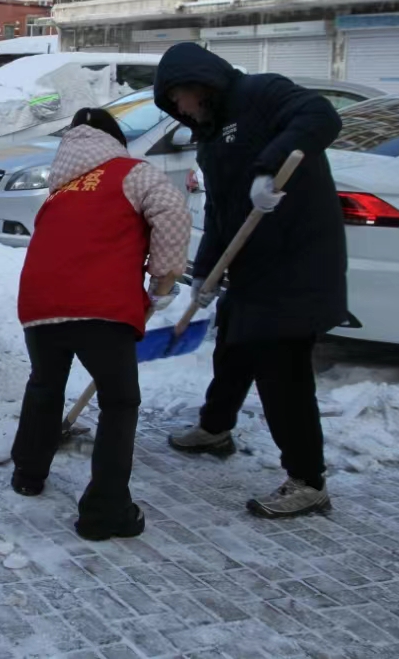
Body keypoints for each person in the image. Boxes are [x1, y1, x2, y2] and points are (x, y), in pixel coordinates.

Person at [153, 42, 347, 519]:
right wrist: (205, 273)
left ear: (198, 82)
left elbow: (322, 116)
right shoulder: (212, 134)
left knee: (283, 374)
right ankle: (215, 428)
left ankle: (308, 480)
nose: (178, 110)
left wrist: (268, 169)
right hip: (251, 264)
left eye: (177, 98)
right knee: (234, 346)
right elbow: (220, 212)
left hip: (297, 260)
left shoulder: (261, 92)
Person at [8, 108, 191, 541]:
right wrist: (162, 281)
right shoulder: (133, 172)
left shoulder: (59, 190)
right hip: (101, 305)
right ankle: (106, 511)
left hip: (41, 303)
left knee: (45, 385)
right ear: (115, 141)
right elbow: (173, 213)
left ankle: (28, 474)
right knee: (119, 402)